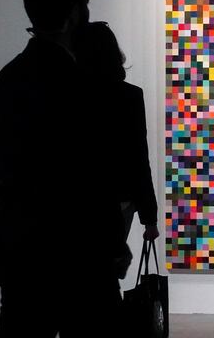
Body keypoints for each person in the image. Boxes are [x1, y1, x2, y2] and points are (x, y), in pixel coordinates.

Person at [0, 0, 125, 337]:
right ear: (74, 13)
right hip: (79, 254)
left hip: (20, 249)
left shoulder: (7, 80)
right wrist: (114, 242)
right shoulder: (82, 87)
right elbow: (95, 176)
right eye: (85, 2)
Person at [75, 21, 160, 278]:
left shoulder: (70, 95)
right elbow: (138, 157)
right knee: (107, 273)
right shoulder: (129, 96)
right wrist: (149, 217)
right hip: (120, 198)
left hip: (79, 197)